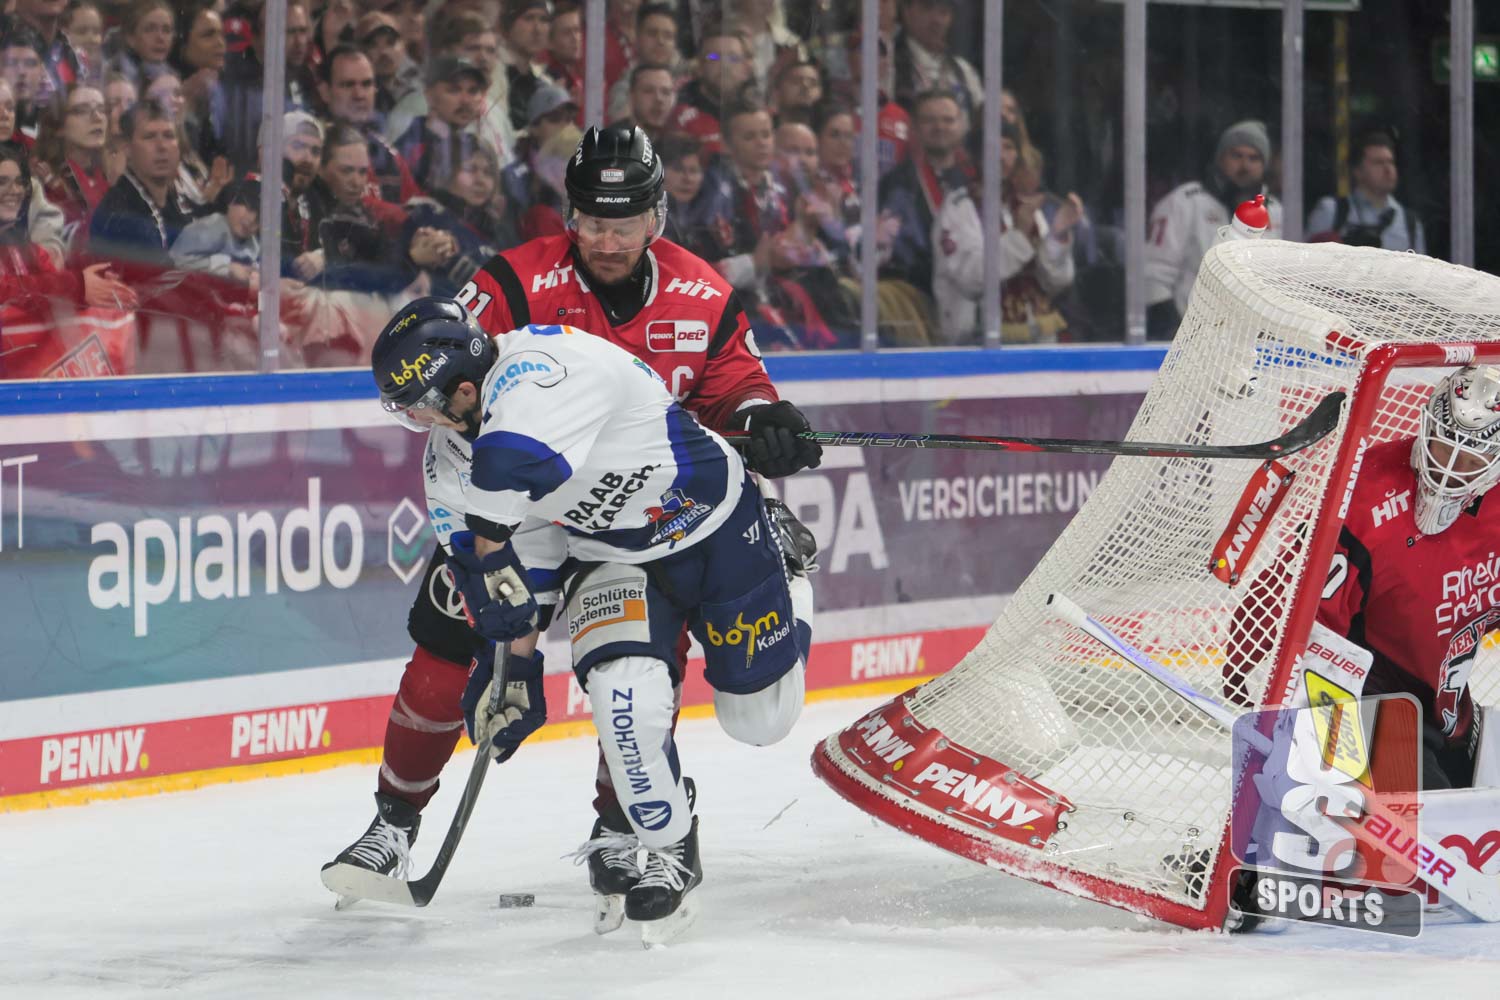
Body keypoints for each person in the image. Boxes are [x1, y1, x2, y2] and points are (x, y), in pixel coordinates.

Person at [324, 124, 822, 932]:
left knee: (637, 664)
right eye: (592, 219)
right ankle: (393, 823)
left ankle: (623, 823)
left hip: (637, 510)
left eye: (625, 221)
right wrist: (500, 623)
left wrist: (764, 419)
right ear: (570, 215)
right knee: (456, 632)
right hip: (523, 511)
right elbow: (449, 375)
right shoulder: (514, 281)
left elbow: (737, 384)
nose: (608, 237)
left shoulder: (701, 295)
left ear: (658, 216)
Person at [1231, 366, 1500, 795]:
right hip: (1358, 703)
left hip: (1445, 715)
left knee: (1471, 831)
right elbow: (1282, 603)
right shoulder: (1363, 488)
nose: (1446, 470)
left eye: (1470, 459)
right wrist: (1243, 673)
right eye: (1440, 445)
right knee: (1427, 838)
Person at [1144, 119, 1283, 340]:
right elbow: (1153, 274)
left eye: (1253, 158)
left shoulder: (1276, 212)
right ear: (1220, 158)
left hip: (1255, 345)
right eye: (1236, 155)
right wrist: (1173, 331)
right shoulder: (1185, 202)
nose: (1245, 165)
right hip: (1193, 342)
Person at [1306, 130, 1425, 254]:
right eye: (1378, 163)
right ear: (1358, 171)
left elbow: (1421, 271)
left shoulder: (1410, 223)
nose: (1388, 169)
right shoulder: (1331, 211)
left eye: (1391, 162)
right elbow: (1306, 263)